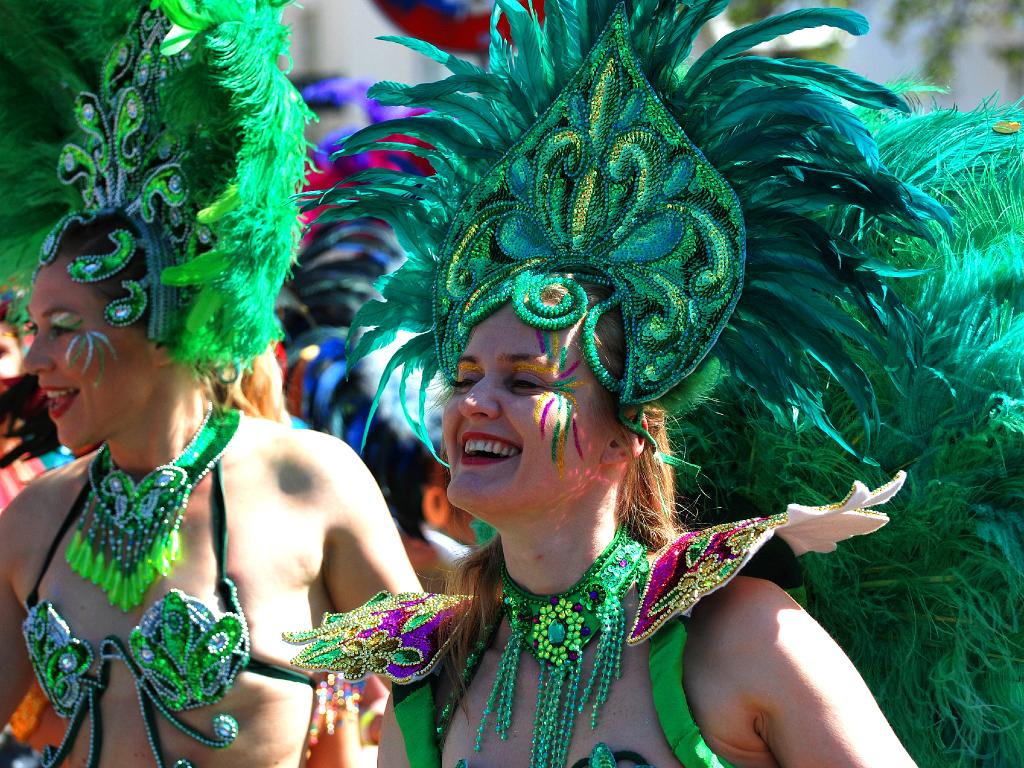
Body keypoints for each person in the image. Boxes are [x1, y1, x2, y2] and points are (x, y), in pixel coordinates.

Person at [284, 1, 951, 766]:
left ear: (623, 439)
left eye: (526, 379)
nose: (473, 402)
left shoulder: (735, 639)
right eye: (465, 375)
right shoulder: (429, 679)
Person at [0, 2, 418, 767]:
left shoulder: (308, 482)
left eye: (63, 328)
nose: (34, 362)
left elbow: (433, 685)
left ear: (163, 330)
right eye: (33, 332)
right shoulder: (31, 522)